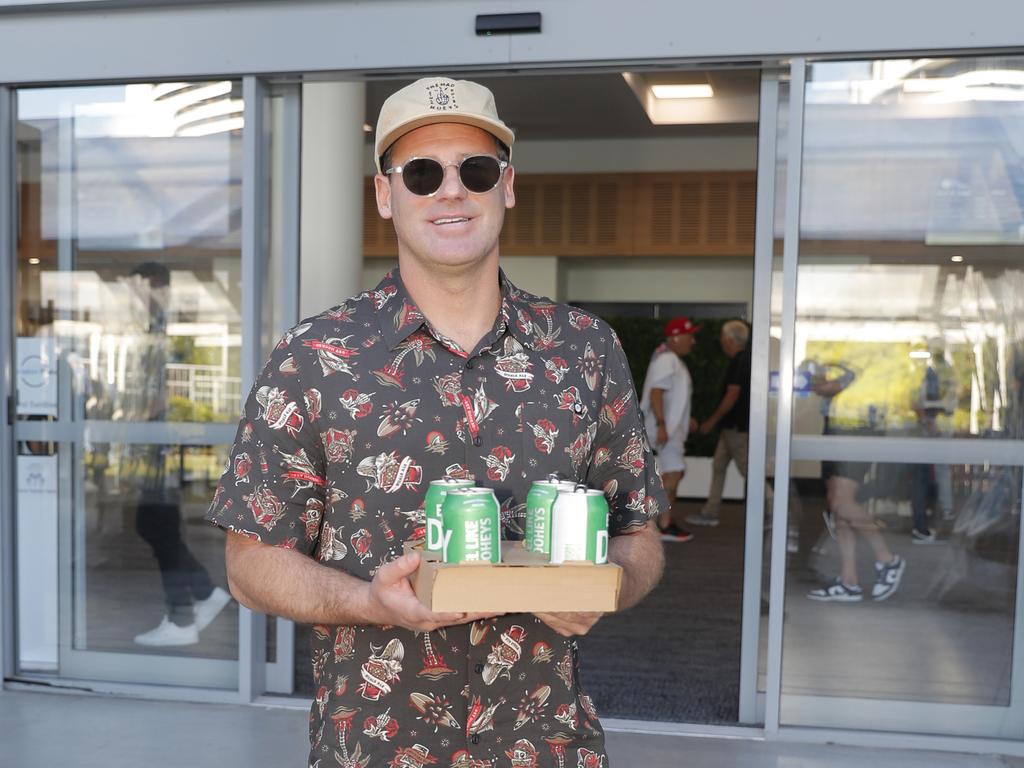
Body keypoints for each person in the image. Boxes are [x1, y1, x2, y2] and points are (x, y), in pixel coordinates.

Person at [206, 77, 667, 767]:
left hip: (544, 747)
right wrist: (371, 601)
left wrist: (603, 589)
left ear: (506, 186)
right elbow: (250, 566)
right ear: (385, 196)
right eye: (421, 173)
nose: (450, 191)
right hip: (376, 748)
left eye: (473, 170)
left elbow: (641, 537)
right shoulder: (315, 357)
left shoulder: (585, 350)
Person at [126, 262, 232, 646]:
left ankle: (182, 618)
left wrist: (139, 416)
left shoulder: (165, 328)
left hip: (162, 447)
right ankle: (203, 592)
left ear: (151, 285)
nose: (131, 296)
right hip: (159, 446)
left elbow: (165, 390)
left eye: (135, 287)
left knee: (157, 524)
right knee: (153, 524)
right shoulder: (156, 325)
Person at [805, 360, 905, 602]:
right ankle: (849, 580)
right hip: (839, 428)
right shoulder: (835, 353)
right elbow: (823, 385)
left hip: (854, 429)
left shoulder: (857, 352)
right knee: (838, 505)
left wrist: (816, 379)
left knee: (841, 502)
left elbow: (832, 386)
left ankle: (887, 559)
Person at [686, 320, 755, 527]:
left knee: (749, 470)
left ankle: (774, 509)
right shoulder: (743, 360)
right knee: (719, 466)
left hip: (736, 427)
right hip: (732, 426)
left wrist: (711, 421)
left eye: (723, 338)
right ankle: (710, 511)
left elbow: (732, 394)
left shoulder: (739, 361)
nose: (722, 342)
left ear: (730, 340)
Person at [640, 316, 699, 542]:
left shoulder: (669, 358)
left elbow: (670, 395)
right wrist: (663, 425)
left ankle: (660, 522)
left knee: (672, 473)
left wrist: (686, 418)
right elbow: (657, 393)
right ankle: (660, 524)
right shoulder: (667, 360)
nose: (692, 341)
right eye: (689, 335)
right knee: (673, 473)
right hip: (665, 431)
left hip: (668, 429)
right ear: (675, 337)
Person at [909, 336, 957, 543]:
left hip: (934, 425)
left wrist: (929, 421)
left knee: (927, 473)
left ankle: (935, 513)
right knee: (929, 473)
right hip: (934, 424)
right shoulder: (936, 371)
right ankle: (937, 512)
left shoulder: (935, 371)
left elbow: (923, 401)